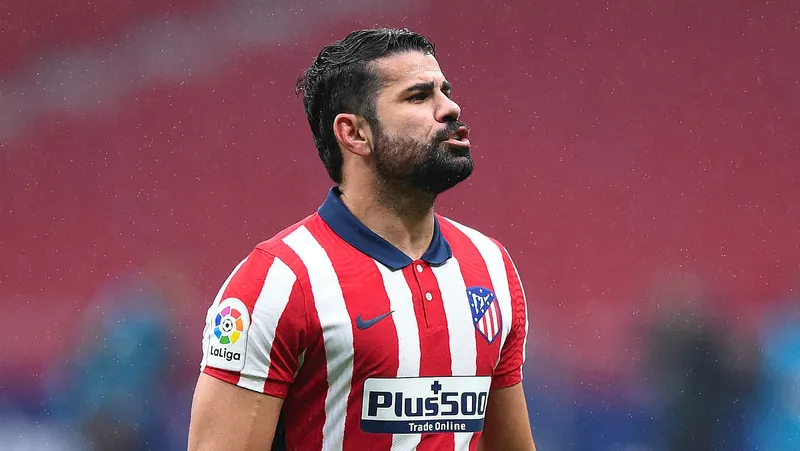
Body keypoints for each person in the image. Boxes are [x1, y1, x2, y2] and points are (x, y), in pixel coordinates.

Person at [187, 27, 536, 451]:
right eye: (418, 96)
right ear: (354, 134)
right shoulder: (277, 283)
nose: (450, 107)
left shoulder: (492, 267)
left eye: (445, 91)